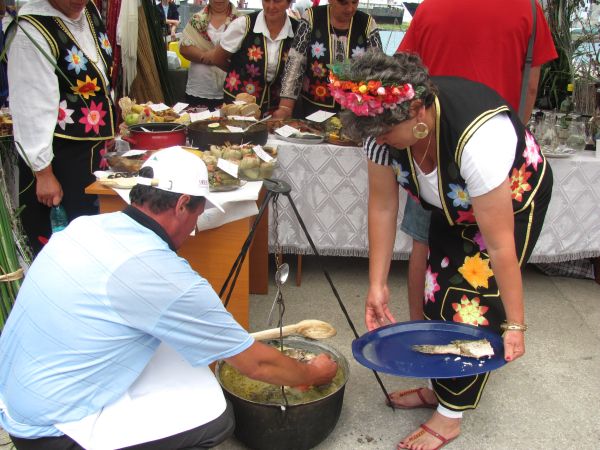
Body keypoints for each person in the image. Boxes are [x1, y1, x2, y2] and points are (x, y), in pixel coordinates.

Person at [0, 147, 338, 450]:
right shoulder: (163, 275)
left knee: (175, 351)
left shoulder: (84, 227)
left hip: (15, 398)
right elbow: (257, 364)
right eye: (197, 214)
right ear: (180, 205)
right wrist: (311, 374)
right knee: (216, 418)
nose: (193, 226)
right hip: (49, 430)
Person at [333, 52, 552, 449]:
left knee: (473, 304)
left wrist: (516, 323)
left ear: (416, 111)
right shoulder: (383, 134)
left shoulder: (479, 141)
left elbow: (500, 244)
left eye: (383, 133)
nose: (377, 140)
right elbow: (383, 206)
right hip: (454, 207)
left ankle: (451, 417)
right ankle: (440, 389)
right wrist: (376, 284)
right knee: (436, 295)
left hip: (512, 202)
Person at [395, 0, 558, 355]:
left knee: (426, 253)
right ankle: (446, 357)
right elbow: (530, 86)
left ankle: (425, 350)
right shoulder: (527, 9)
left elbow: (402, 72)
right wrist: (515, 132)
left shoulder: (429, 8)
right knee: (480, 270)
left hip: (426, 142)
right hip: (490, 144)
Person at [6, 0, 116, 256]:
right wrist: (43, 172)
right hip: (59, 161)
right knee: (66, 245)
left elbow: (99, 76)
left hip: (92, 155)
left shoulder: (88, 10)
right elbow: (30, 106)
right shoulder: (30, 30)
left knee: (94, 238)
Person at [272, 0, 382, 119]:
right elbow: (295, 63)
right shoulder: (311, 17)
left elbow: (378, 69)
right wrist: (285, 108)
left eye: (354, 3)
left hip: (354, 114)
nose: (350, 9)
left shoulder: (367, 23)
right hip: (311, 110)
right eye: (343, 3)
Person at [192, 0, 298, 115]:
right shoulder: (243, 25)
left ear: (289, 3)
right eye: (266, 0)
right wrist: (239, 72)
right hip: (238, 106)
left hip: (275, 107)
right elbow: (217, 58)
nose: (271, 6)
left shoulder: (297, 30)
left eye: (277, 1)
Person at [179, 0, 240, 109]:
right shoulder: (196, 19)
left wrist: (214, 56)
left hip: (232, 90)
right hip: (199, 89)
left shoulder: (242, 21)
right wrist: (206, 56)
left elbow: (246, 52)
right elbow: (184, 48)